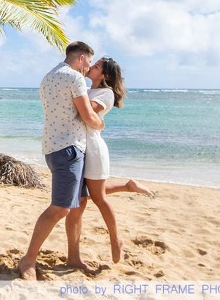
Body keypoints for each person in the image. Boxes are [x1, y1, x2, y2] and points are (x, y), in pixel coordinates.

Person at [18, 41, 104, 280]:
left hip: (52, 146)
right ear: (80, 59)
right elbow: (87, 116)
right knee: (61, 207)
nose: (88, 68)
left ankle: (74, 257)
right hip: (69, 149)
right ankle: (28, 260)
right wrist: (101, 124)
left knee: (78, 205)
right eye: (88, 62)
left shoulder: (48, 77)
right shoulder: (74, 78)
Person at [85, 57, 153, 264]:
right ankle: (127, 185)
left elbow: (86, 111)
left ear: (104, 76)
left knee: (98, 198)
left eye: (95, 67)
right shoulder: (86, 90)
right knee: (84, 197)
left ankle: (115, 240)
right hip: (81, 148)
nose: (90, 67)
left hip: (94, 150)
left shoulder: (106, 94)